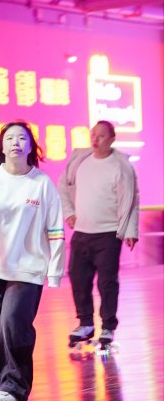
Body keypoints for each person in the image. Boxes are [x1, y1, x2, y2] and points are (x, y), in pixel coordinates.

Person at [0, 121, 65, 401]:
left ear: (31, 146)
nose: (15, 143)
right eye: (9, 138)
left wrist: (54, 271)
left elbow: (55, 230)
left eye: (22, 138)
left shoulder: (42, 184)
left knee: (12, 323)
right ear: (2, 145)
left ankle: (12, 386)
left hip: (27, 267)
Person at [58, 120, 139, 348]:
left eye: (101, 136)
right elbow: (63, 187)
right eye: (93, 134)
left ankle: (108, 326)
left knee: (107, 282)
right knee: (78, 278)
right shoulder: (80, 160)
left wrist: (130, 230)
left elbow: (131, 199)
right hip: (82, 233)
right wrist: (69, 212)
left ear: (112, 139)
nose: (95, 139)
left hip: (108, 234)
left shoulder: (120, 165)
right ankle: (85, 323)